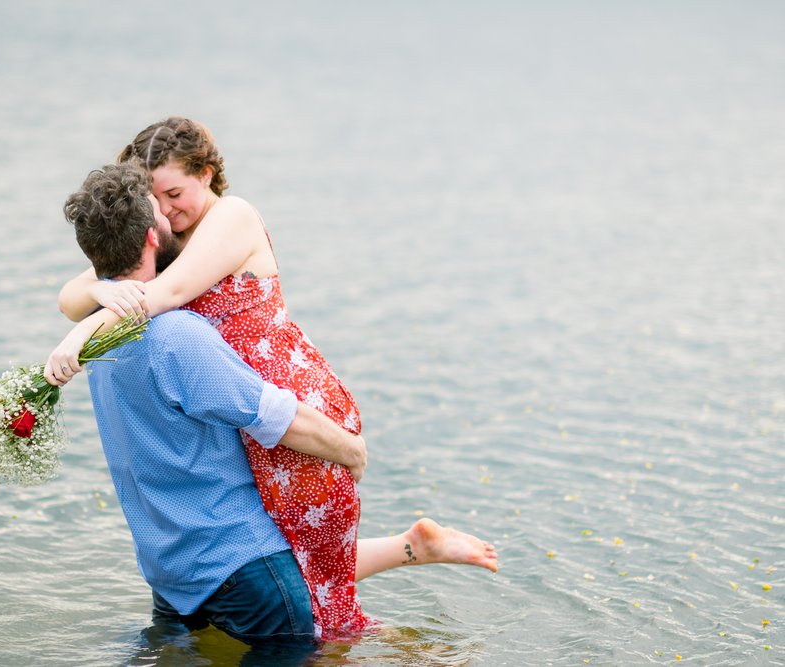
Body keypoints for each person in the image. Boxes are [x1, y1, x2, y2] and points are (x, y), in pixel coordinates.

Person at [46, 124, 499, 638]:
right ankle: (415, 548)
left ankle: (406, 643)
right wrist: (103, 296)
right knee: (297, 555)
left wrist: (78, 337)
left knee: (313, 589)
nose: (167, 210)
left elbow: (163, 293)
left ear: (207, 175)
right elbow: (74, 291)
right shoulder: (172, 239)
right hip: (237, 405)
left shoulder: (231, 217)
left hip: (290, 399)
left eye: (175, 194)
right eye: (155, 200)